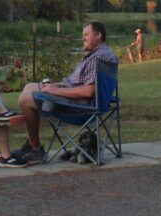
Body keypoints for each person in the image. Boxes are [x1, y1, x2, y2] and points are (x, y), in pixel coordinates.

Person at [12, 21, 118, 164]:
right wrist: (54, 86)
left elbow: (88, 91)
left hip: (81, 107)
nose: (83, 38)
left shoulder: (98, 58)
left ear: (98, 35)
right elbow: (79, 83)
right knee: (30, 86)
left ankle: (36, 149)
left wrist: (55, 91)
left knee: (24, 100)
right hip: (83, 102)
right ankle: (32, 145)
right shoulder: (101, 54)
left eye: (86, 35)